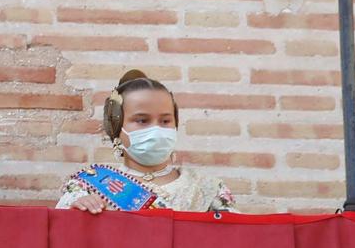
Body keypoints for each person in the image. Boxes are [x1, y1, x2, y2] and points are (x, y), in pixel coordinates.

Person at [57, 70, 236, 213]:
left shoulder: (208, 189)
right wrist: (77, 214)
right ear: (116, 127)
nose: (156, 129)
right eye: (142, 120)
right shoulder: (89, 186)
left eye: (165, 121)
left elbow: (234, 245)